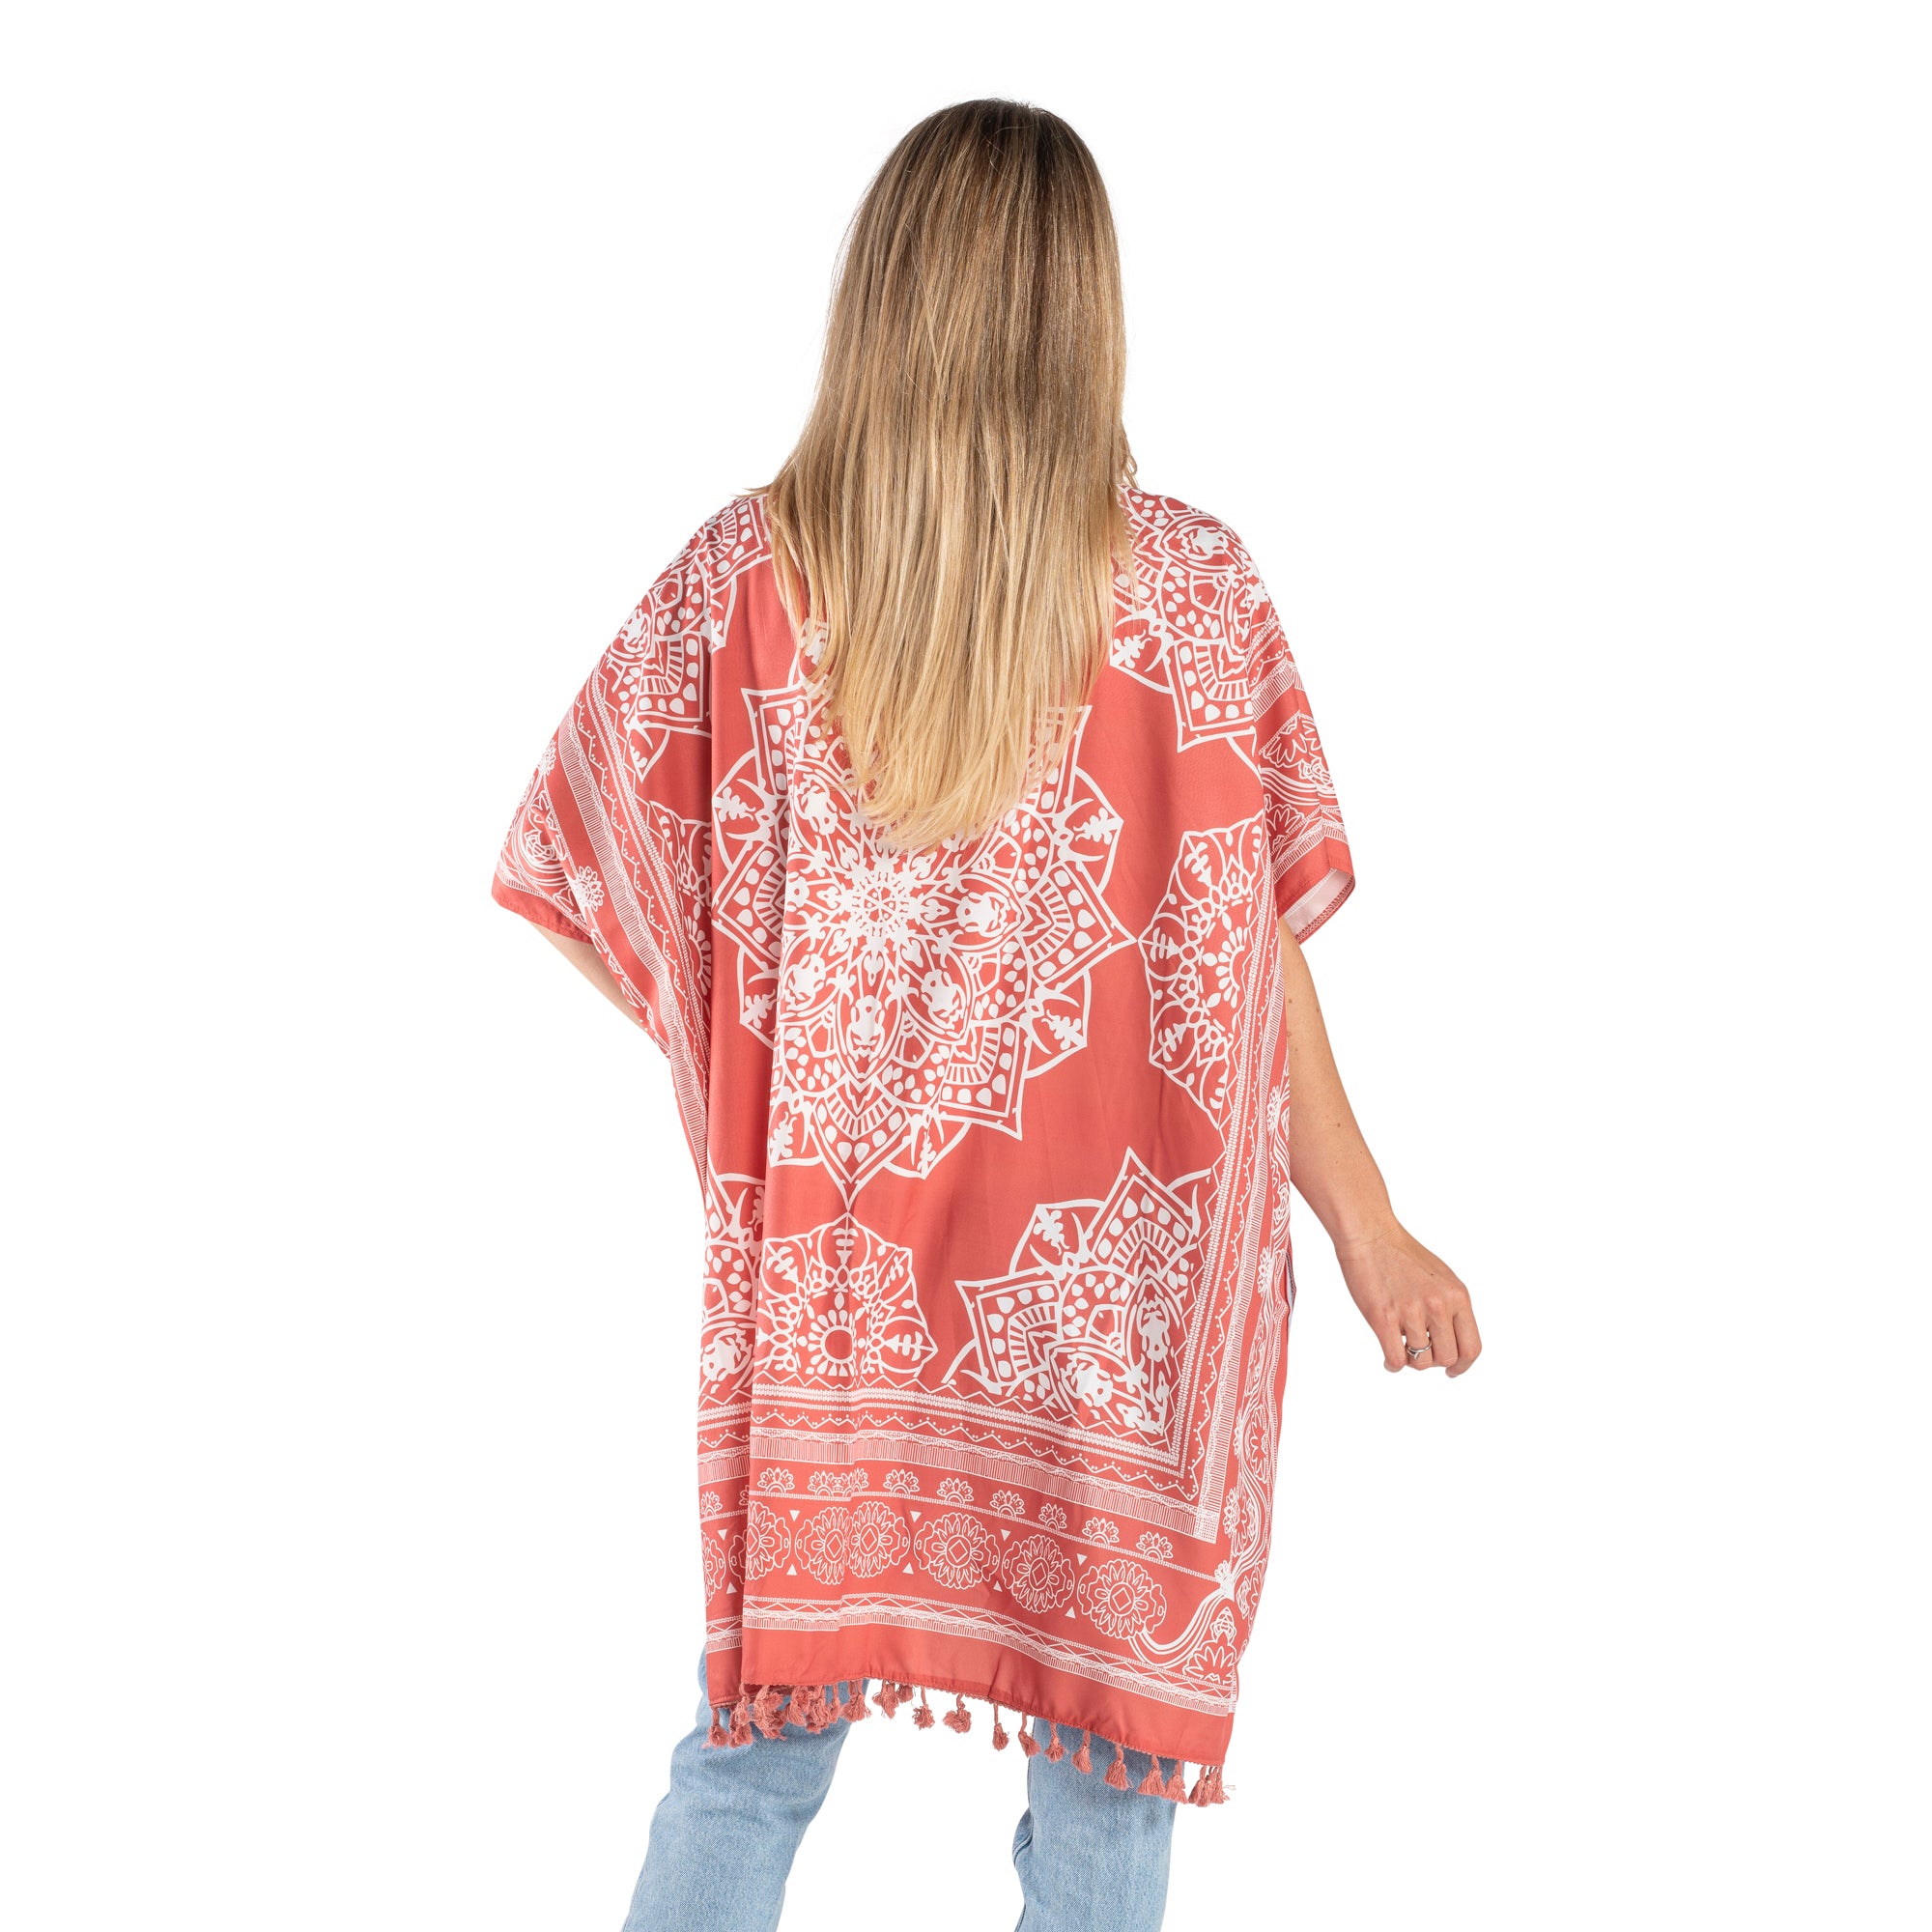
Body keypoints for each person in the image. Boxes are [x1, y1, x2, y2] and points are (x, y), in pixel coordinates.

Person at [493, 97, 1480, 1932]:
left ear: (884, 291)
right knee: (1106, 1786)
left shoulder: (756, 582)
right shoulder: (1192, 596)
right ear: (1085, 308)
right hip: (1119, 1311)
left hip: (843, 1306)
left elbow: (588, 871)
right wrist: (1366, 1226)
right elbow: (1259, 962)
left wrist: (764, 1121)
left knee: (755, 1753)